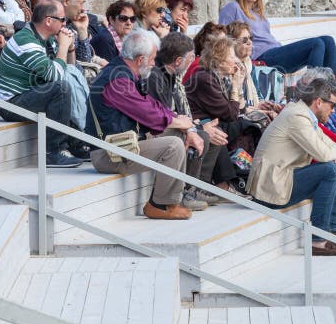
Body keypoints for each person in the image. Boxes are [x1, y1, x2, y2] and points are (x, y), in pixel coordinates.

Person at [86, 29, 195, 220]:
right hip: (108, 153)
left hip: (122, 145)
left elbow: (151, 105)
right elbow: (146, 113)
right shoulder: (117, 80)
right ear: (140, 60)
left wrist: (181, 124)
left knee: (178, 134)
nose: (154, 63)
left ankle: (172, 201)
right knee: (173, 145)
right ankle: (158, 205)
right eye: (152, 58)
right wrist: (177, 121)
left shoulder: (123, 72)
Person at [248, 77, 336, 256]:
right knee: (331, 170)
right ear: (319, 102)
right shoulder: (297, 117)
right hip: (270, 189)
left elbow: (327, 145)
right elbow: (322, 154)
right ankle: (317, 241)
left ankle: (329, 231)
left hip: (282, 177)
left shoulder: (304, 114)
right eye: (332, 106)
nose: (333, 111)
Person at [0, 0, 84, 168]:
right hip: (10, 103)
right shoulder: (26, 41)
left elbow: (67, 70)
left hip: (30, 93)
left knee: (69, 84)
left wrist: (70, 48)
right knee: (61, 89)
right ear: (49, 21)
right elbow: (55, 76)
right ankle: (53, 152)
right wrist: (63, 47)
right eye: (62, 19)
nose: (65, 24)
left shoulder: (46, 38)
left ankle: (77, 144)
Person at [146, 32, 231, 210]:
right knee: (202, 135)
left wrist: (195, 126)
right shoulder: (156, 78)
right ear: (178, 61)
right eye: (191, 57)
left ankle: (199, 186)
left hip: (173, 123)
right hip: (155, 130)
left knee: (213, 133)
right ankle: (185, 191)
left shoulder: (172, 76)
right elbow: (163, 117)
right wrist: (194, 129)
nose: (193, 62)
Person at [218, 0, 336, 74]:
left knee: (328, 40)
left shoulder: (258, 13)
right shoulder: (233, 8)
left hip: (276, 52)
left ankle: (330, 88)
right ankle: (316, 89)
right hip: (262, 57)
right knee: (316, 44)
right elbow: (223, 38)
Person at [185, 37, 254, 198]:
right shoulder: (205, 78)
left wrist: (236, 87)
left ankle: (232, 180)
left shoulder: (217, 78)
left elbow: (238, 108)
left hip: (211, 122)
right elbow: (230, 114)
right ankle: (222, 184)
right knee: (227, 130)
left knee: (251, 124)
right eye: (232, 57)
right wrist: (236, 87)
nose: (236, 61)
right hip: (198, 125)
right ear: (218, 60)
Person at [226, 21, 283, 120]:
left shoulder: (249, 65)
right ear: (232, 43)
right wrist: (258, 110)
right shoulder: (229, 68)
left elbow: (257, 94)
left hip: (249, 111)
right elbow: (235, 105)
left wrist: (264, 104)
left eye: (250, 38)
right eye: (244, 40)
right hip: (238, 116)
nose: (250, 42)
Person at [54, 0, 105, 65]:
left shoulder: (71, 23)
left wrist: (82, 30)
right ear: (66, 1)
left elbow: (85, 61)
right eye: (81, 3)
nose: (83, 9)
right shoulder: (50, 24)